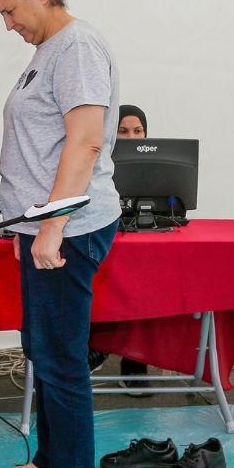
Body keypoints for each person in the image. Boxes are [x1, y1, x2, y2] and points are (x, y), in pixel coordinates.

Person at [0, 0, 122, 468]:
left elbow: (86, 140)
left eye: (11, 10)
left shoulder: (78, 47)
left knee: (62, 356)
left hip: (65, 229)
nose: (8, 24)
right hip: (42, 226)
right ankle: (50, 458)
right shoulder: (48, 50)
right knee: (43, 349)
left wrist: (52, 227)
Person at [88, 104, 152, 394]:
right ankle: (96, 347)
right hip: (103, 234)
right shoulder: (95, 163)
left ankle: (135, 359)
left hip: (143, 239)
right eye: (123, 131)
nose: (131, 137)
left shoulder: (153, 162)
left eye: (138, 131)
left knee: (147, 281)